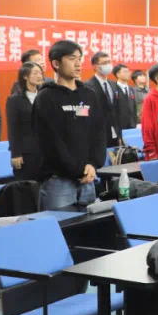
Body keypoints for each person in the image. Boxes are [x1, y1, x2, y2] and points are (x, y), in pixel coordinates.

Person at [33, 40, 106, 209]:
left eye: (79, 58)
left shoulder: (88, 95)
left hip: (88, 178)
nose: (78, 64)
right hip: (58, 181)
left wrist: (93, 164)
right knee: (60, 225)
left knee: (89, 225)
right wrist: (77, 170)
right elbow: (50, 142)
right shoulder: (46, 97)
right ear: (56, 64)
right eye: (72, 59)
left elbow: (98, 133)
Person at [6, 62, 45, 181]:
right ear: (25, 76)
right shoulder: (15, 99)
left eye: (40, 73)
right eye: (35, 73)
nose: (39, 76)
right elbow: (13, 128)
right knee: (27, 186)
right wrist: (16, 154)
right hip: (25, 152)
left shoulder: (44, 97)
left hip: (44, 150)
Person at [86, 52, 121, 148]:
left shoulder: (114, 84)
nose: (108, 65)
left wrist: (119, 135)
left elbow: (117, 111)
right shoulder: (87, 86)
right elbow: (84, 112)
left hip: (114, 133)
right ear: (95, 66)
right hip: (97, 134)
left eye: (109, 62)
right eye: (104, 63)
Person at [112, 64, 138, 130]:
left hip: (132, 124)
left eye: (128, 71)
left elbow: (134, 107)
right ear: (118, 74)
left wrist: (135, 122)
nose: (128, 73)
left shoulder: (131, 89)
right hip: (119, 125)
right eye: (125, 72)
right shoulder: (113, 88)